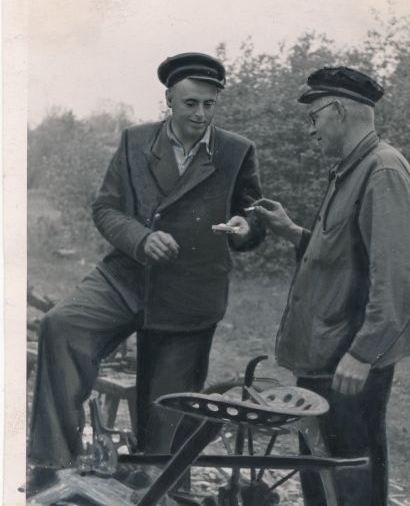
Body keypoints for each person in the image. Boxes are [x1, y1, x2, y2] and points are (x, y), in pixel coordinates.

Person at [28, 52, 265, 478]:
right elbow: (106, 208)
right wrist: (141, 238)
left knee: (165, 416)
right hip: (125, 277)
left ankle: (156, 495)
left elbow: (253, 217)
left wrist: (244, 227)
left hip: (189, 294)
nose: (200, 114)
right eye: (191, 103)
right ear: (170, 100)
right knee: (61, 326)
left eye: (210, 105)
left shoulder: (236, 151)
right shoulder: (134, 141)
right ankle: (52, 464)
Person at [253, 66, 410, 506]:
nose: (310, 129)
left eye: (314, 116)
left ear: (340, 111)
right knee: (322, 487)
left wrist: (365, 352)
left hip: (348, 366)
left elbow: (398, 277)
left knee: (353, 492)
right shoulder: (347, 171)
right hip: (322, 360)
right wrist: (293, 234)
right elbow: (343, 257)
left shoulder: (382, 172)